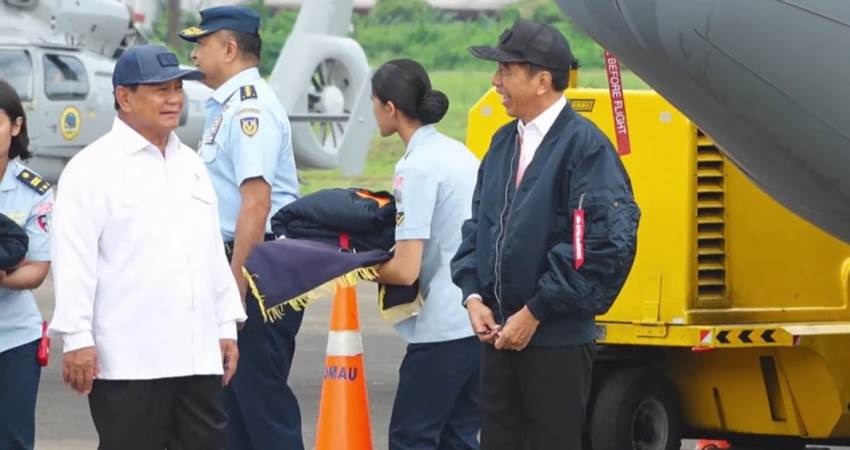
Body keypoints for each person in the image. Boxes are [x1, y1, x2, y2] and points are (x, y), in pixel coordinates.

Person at [451, 20, 640, 450]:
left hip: (555, 344)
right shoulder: (503, 142)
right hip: (499, 338)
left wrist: (536, 310)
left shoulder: (585, 147)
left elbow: (599, 244)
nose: (495, 81)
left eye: (506, 71)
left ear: (542, 81)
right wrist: (473, 295)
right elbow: (479, 224)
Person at [48, 45, 247, 450]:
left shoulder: (190, 164)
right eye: (161, 90)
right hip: (129, 361)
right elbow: (74, 261)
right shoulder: (91, 169)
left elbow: (210, 253)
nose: (174, 99)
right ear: (124, 97)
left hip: (196, 357)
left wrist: (225, 326)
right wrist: (77, 338)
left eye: (178, 88)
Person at [179, 7, 304, 450]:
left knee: (261, 404)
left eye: (201, 44)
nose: (194, 54)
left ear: (229, 49)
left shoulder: (250, 109)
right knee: (232, 410)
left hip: (256, 268)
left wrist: (233, 289)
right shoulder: (228, 106)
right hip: (238, 262)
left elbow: (256, 203)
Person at [372, 59, 481, 450]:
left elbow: (405, 270)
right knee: (459, 438)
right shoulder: (458, 153)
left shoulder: (415, 167)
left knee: (411, 438)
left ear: (390, 108)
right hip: (479, 320)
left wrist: (354, 268)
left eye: (374, 103)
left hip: (443, 327)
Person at [0, 79, 52, 450]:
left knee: (13, 441)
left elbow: (37, 269)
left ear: (16, 126)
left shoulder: (33, 190)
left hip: (13, 339)